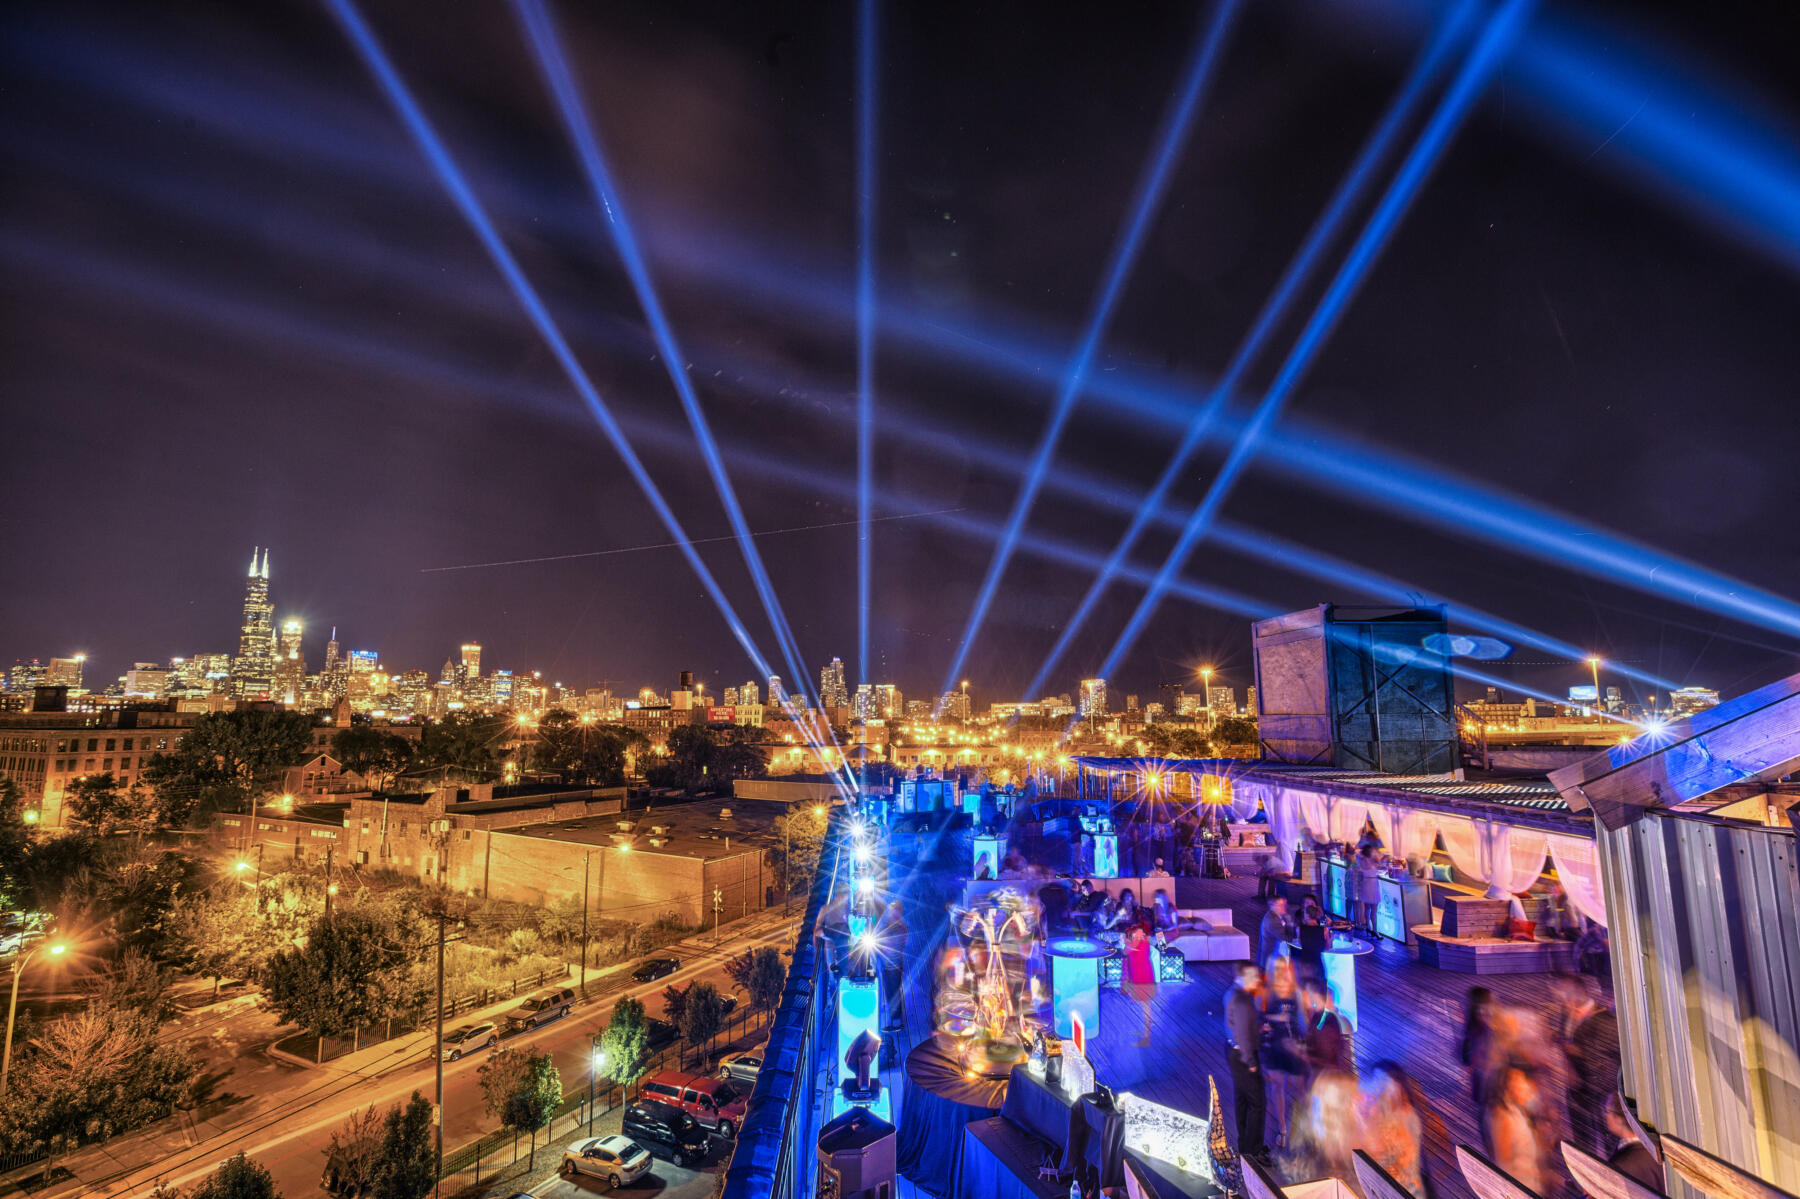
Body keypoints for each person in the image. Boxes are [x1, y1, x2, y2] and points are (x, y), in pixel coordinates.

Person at [1557, 975, 1621, 1157]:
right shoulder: (1566, 1014)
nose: (1561, 998)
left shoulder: (1605, 1018)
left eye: (1564, 993)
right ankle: (1585, 1176)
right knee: (1583, 1139)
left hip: (1601, 1090)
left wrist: (1572, 1049)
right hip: (1576, 1090)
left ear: (1578, 993)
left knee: (1610, 1137)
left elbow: (1605, 1056)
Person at [1486, 1066, 1558, 1198]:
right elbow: (1503, 1164)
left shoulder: (1517, 1112)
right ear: (1510, 1088)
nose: (1527, 1089)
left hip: (1531, 1188)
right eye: (1522, 1083)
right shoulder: (1504, 1118)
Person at [1360, 1062, 1428, 1199]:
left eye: (1383, 1081)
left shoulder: (1407, 1115)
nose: (1378, 1088)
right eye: (1375, 1080)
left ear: (1398, 1085)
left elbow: (1390, 1159)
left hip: (1405, 1191)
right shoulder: (1384, 1114)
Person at [1225, 961, 1270, 1166]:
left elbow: (1237, 1027)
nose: (1257, 979)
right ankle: (1254, 1150)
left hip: (1233, 1051)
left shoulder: (1232, 993)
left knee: (1242, 1099)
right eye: (1253, 975)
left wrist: (1257, 1029)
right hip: (1244, 1055)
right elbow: (1242, 1034)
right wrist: (1251, 1062)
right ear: (1243, 976)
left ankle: (1245, 1144)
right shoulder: (1243, 1001)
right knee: (1257, 1102)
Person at [1261, 957, 1307, 1149]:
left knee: (1299, 1088)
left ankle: (1306, 1127)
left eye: (1284, 968)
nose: (1280, 972)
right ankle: (1283, 1129)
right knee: (1277, 1087)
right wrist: (1272, 1019)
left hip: (1293, 1046)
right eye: (1277, 968)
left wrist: (1303, 1045)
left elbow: (1304, 1021)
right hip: (1273, 1045)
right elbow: (1260, 1016)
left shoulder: (1297, 992)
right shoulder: (1267, 992)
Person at [1604, 1092, 1664, 1193]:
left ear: (1618, 1119)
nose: (1605, 1116)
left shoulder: (1619, 1165)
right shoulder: (1658, 1151)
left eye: (1607, 1111)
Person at [1299, 977, 1349, 1076]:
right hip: (1322, 1072)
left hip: (1325, 1074)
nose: (1303, 997)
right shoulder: (1318, 1016)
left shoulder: (1327, 1019)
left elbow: (1327, 1056)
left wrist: (1302, 1055)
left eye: (1306, 993)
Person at [1459, 987, 1497, 1110]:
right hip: (1487, 1069)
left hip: (1483, 1068)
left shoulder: (1473, 1020)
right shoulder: (1483, 1021)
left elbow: (1467, 1045)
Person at [1122, 917, 1157, 1046]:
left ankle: (1146, 1037)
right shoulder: (1144, 942)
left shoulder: (1136, 943)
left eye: (1138, 932)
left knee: (1145, 1007)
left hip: (1142, 980)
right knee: (1143, 1006)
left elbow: (1125, 951)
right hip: (1142, 978)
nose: (1137, 933)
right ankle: (1144, 1032)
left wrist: (1126, 940)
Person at [1258, 896, 1297, 974]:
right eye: (1282, 905)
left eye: (1285, 904)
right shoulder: (1272, 921)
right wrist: (1290, 923)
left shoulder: (1276, 915)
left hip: (1274, 956)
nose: (1285, 907)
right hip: (1271, 959)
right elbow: (1286, 938)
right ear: (1273, 906)